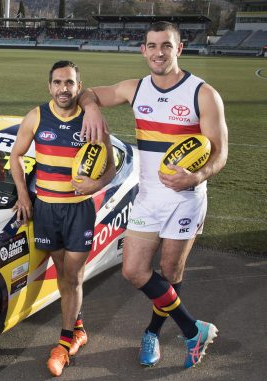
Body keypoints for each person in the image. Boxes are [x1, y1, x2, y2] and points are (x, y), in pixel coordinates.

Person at [79, 21, 228, 368]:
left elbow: (220, 153)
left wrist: (197, 176)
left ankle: (153, 332)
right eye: (152, 45)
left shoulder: (202, 93)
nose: (158, 52)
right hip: (148, 196)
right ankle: (194, 329)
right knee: (133, 271)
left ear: (180, 49)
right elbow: (89, 93)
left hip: (185, 199)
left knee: (170, 272)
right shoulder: (136, 89)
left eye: (166, 45)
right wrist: (91, 108)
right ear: (143, 50)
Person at [10, 61, 116, 377]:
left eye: (69, 83)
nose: (63, 89)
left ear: (78, 86)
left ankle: (64, 343)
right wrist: (24, 195)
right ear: (50, 87)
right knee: (62, 273)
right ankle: (78, 328)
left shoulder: (93, 120)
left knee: (73, 275)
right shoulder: (37, 116)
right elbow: (16, 155)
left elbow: (109, 168)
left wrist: (96, 184)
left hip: (79, 210)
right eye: (57, 83)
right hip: (45, 209)